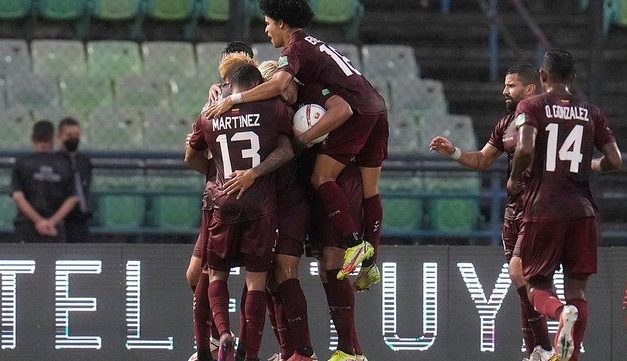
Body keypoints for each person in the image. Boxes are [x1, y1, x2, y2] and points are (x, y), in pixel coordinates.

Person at [204, 0, 389, 283]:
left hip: (355, 109)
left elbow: (279, 85)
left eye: (267, 23)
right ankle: (371, 264)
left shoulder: (295, 48)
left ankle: (354, 243)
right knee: (369, 189)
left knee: (321, 177)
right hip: (376, 105)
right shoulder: (315, 45)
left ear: (281, 22)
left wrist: (234, 98)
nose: (266, 30)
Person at [429, 64, 555, 361]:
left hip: (539, 209)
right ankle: (538, 350)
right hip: (513, 211)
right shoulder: (506, 123)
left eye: (511, 86)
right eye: (504, 85)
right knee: (520, 280)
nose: (504, 91)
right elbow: (484, 160)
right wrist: (454, 152)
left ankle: (551, 339)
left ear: (530, 89)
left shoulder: (549, 122)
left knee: (520, 273)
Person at [507, 49, 622, 361]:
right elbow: (615, 160)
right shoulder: (591, 112)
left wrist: (515, 178)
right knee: (578, 291)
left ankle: (560, 313)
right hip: (583, 210)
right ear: (572, 78)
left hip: (543, 208)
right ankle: (569, 353)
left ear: (542, 77)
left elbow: (526, 149)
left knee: (534, 285)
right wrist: (590, 165)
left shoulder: (530, 105)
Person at [188, 63, 294, 361]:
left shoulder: (209, 114)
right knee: (256, 281)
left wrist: (218, 174)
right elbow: (286, 151)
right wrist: (256, 173)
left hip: (223, 201)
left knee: (216, 274)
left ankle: (222, 334)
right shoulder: (272, 109)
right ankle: (249, 355)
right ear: (255, 84)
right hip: (260, 205)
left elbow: (191, 155)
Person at [11, 120, 78, 243]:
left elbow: (18, 197)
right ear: (53, 139)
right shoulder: (64, 164)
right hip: (55, 229)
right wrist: (51, 222)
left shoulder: (22, 163)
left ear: (33, 138)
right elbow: (72, 198)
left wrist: (39, 221)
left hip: (26, 226)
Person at [57, 117, 92, 243]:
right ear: (60, 136)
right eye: (69, 135)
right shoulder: (55, 161)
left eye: (77, 135)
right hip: (62, 217)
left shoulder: (84, 161)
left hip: (82, 216)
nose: (74, 139)